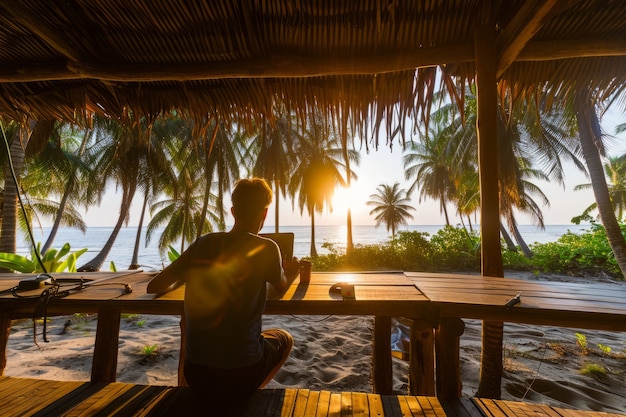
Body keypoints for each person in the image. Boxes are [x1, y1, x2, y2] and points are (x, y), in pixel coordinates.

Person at [147, 177, 300, 399]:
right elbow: (280, 286)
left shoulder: (203, 243)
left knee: (188, 326)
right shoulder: (267, 248)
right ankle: (249, 396)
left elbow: (155, 286)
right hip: (242, 374)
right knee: (284, 338)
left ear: (233, 211)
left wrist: (187, 274)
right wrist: (291, 272)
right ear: (264, 213)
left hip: (197, 373)